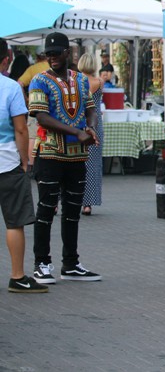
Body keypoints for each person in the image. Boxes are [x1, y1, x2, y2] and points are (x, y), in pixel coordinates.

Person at [29, 32, 101, 284]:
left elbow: (90, 108)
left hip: (77, 157)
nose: (51, 58)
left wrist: (90, 127)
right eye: (48, 54)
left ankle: (70, 263)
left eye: (56, 53)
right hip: (49, 154)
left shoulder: (81, 80)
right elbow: (41, 117)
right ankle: (42, 264)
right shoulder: (39, 81)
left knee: (72, 212)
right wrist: (77, 132)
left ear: (68, 53)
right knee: (46, 209)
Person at [0, 39, 48, 293]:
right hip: (6, 163)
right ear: (6, 60)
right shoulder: (10, 88)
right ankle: (17, 276)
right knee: (14, 222)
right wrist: (24, 160)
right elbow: (20, 128)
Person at [77, 54, 103, 216]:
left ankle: (59, 200)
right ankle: (87, 204)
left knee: (69, 161)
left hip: (78, 122)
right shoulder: (99, 82)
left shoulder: (75, 81)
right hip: (96, 123)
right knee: (92, 165)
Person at [18, 48, 49, 167]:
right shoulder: (54, 67)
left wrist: (26, 99)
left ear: (37, 56)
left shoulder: (32, 69)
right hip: (51, 106)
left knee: (32, 136)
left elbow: (19, 83)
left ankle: (31, 164)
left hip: (35, 105)